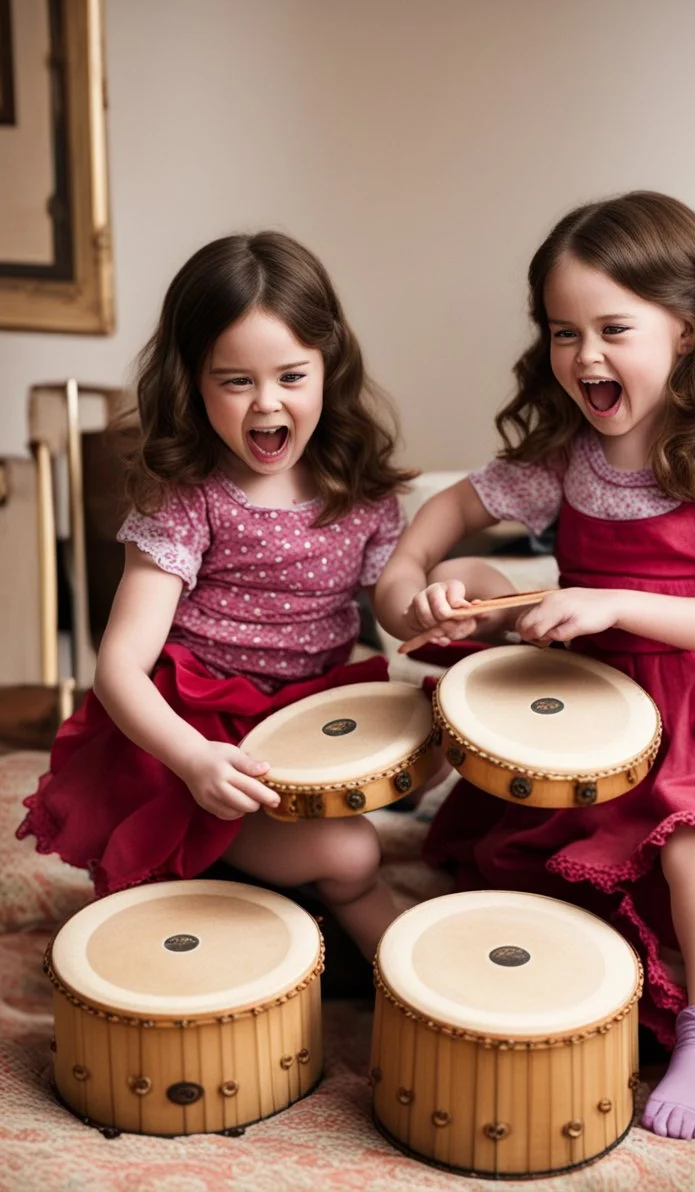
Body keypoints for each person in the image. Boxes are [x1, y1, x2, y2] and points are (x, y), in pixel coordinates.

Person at [374, 191, 695, 1140]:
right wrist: (412, 582)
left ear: (689, 333)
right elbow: (450, 509)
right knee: (532, 859)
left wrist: (620, 602)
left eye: (614, 328)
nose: (585, 357)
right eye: (562, 331)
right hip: (584, 707)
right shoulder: (566, 459)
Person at [17, 231, 425, 961]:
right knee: (355, 858)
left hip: (306, 729)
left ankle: (441, 991)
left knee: (436, 744)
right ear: (192, 383)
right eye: (235, 380)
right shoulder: (189, 500)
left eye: (292, 376)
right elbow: (118, 669)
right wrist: (193, 760)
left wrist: (441, 598)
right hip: (199, 745)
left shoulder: (359, 494)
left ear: (330, 367)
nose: (267, 403)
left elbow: (396, 608)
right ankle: (206, 856)